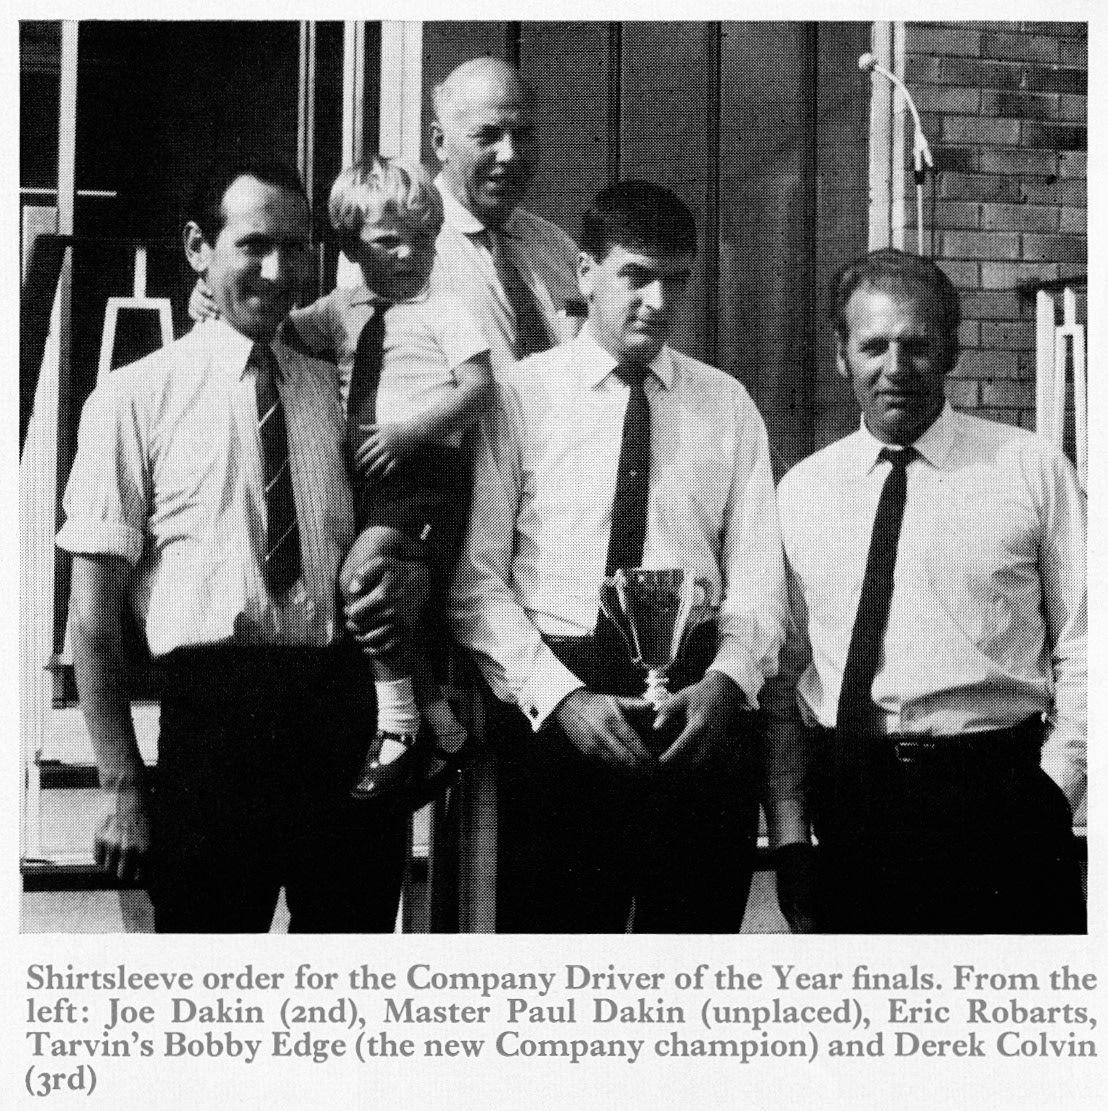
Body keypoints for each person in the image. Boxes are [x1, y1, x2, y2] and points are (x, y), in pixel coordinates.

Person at [57, 159, 409, 932]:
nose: (278, 270)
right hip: (213, 734)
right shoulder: (133, 398)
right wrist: (122, 786)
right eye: (253, 245)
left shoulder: (335, 389)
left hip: (339, 722)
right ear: (197, 249)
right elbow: (91, 622)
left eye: (296, 247)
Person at [449, 181, 787, 932]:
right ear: (585, 272)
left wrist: (727, 683)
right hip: (563, 714)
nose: (659, 301)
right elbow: (475, 581)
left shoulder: (726, 405)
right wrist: (562, 698)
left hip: (699, 715)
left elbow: (760, 578)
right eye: (637, 274)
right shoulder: (519, 398)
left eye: (678, 279)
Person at [771, 248, 1086, 934]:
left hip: (1001, 801)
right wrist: (793, 838)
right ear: (841, 355)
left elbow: (1090, 645)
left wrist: (1055, 789)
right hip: (854, 807)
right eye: (874, 345)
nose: (895, 367)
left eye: (917, 344)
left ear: (952, 348)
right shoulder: (803, 492)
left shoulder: (1030, 471)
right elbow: (783, 677)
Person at [194, 156, 494, 800]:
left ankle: (400, 721)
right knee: (379, 596)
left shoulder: (445, 308)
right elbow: (285, 333)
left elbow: (478, 388)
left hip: (425, 471)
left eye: (425, 241)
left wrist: (409, 431)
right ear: (352, 248)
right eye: (390, 243)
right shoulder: (344, 308)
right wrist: (209, 301)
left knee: (360, 579)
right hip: (371, 478)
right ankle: (439, 719)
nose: (411, 256)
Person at [428, 56, 582, 369]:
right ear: (440, 143)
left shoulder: (556, 245)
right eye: (487, 136)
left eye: (523, 134)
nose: (510, 154)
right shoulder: (399, 248)